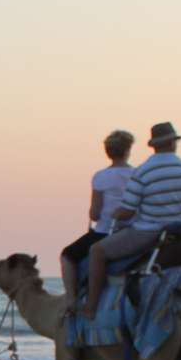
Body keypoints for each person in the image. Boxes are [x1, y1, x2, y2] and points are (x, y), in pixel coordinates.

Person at [83, 122, 181, 313]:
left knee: (96, 252)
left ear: (154, 146)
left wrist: (116, 213)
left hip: (149, 233)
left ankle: (92, 305)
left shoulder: (143, 171)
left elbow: (128, 211)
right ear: (172, 144)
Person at [59, 131, 137, 307]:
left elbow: (95, 213)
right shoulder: (137, 174)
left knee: (67, 255)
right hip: (134, 231)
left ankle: (71, 299)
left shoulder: (101, 176)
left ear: (107, 152)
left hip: (106, 231)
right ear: (128, 150)